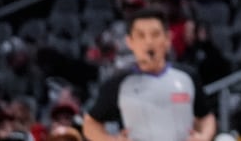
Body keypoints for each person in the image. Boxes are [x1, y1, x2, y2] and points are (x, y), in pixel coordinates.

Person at [82, 9, 215, 141]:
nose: (149, 42)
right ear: (130, 42)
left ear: (168, 38)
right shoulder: (119, 84)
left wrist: (204, 136)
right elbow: (90, 124)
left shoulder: (187, 76)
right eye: (141, 35)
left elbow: (206, 117)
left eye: (155, 34)